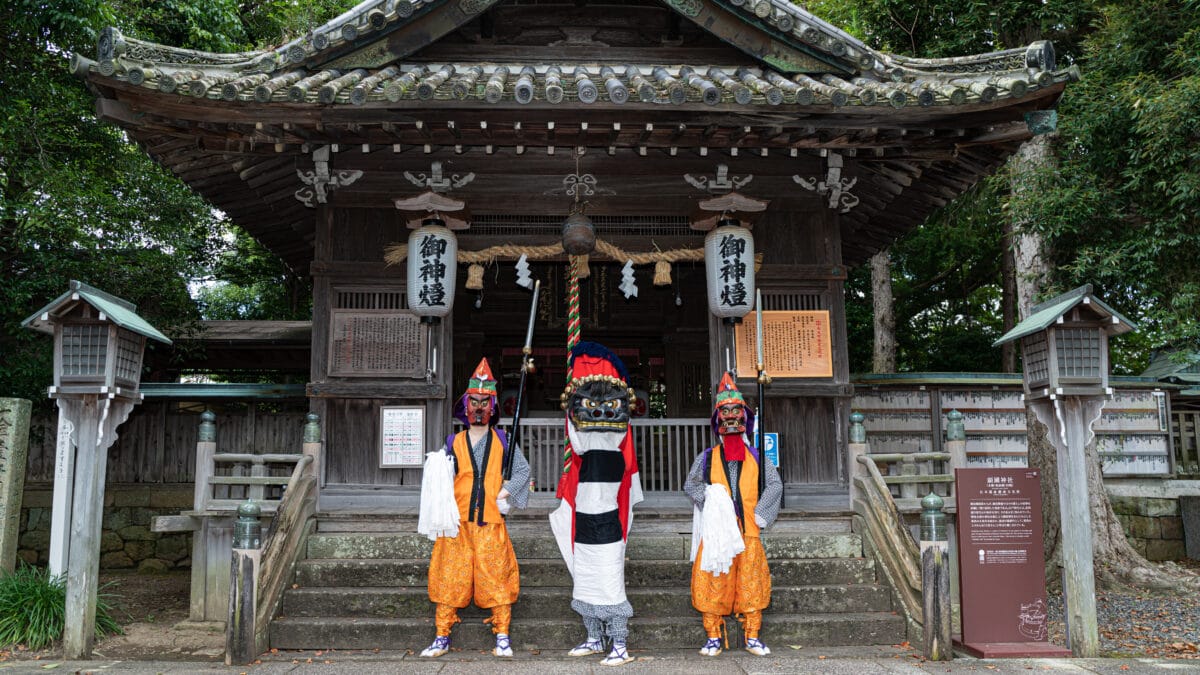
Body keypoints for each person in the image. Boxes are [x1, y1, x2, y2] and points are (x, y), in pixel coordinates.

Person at [416, 358, 530, 658]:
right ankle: (441, 636)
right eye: (474, 402)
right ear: (466, 407)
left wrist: (504, 492)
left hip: (490, 521)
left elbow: (522, 471)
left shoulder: (504, 441)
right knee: (449, 576)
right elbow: (440, 480)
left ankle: (502, 635)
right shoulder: (452, 442)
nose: (479, 408)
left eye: (484, 402)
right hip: (456, 522)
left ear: (493, 407)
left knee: (496, 576)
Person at [549, 342, 644, 666]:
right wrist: (572, 408)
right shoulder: (585, 444)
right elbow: (577, 439)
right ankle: (593, 637)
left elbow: (610, 424)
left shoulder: (616, 442)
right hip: (586, 520)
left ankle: (620, 644)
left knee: (610, 583)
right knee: (586, 579)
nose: (600, 411)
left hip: (607, 522)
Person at [683, 372, 782, 657]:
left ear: (745, 418)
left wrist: (762, 513)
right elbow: (691, 484)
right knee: (714, 581)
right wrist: (712, 500)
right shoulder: (708, 457)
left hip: (749, 529)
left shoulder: (757, 456)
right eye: (724, 412)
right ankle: (713, 635)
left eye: (735, 411)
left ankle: (752, 635)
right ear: (717, 421)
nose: (730, 417)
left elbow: (774, 484)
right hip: (718, 533)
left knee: (751, 583)